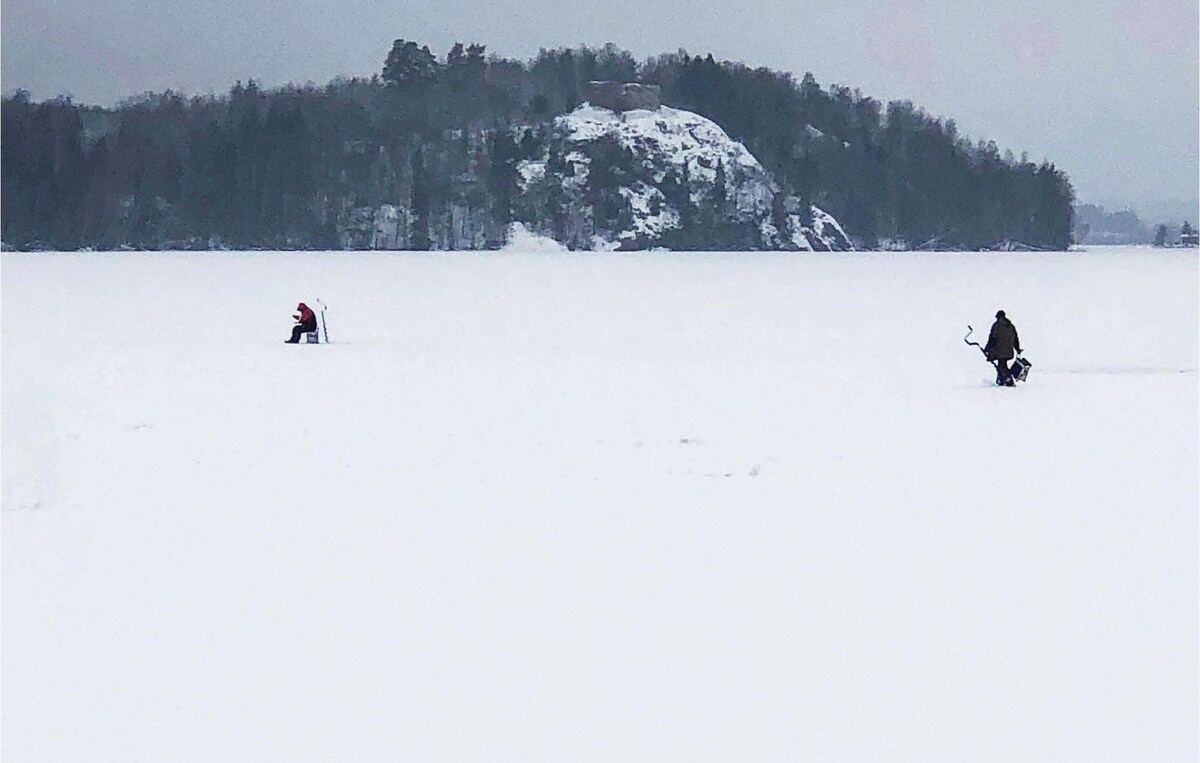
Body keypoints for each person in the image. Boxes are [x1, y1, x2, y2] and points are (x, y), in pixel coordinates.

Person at [984, 309, 1021, 386]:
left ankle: (1007, 380)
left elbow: (992, 338)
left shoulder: (996, 326)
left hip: (999, 351)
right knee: (1003, 364)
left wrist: (987, 348)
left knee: (1001, 366)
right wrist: (1017, 349)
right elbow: (1015, 338)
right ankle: (1004, 379)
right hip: (1009, 351)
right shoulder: (1011, 326)